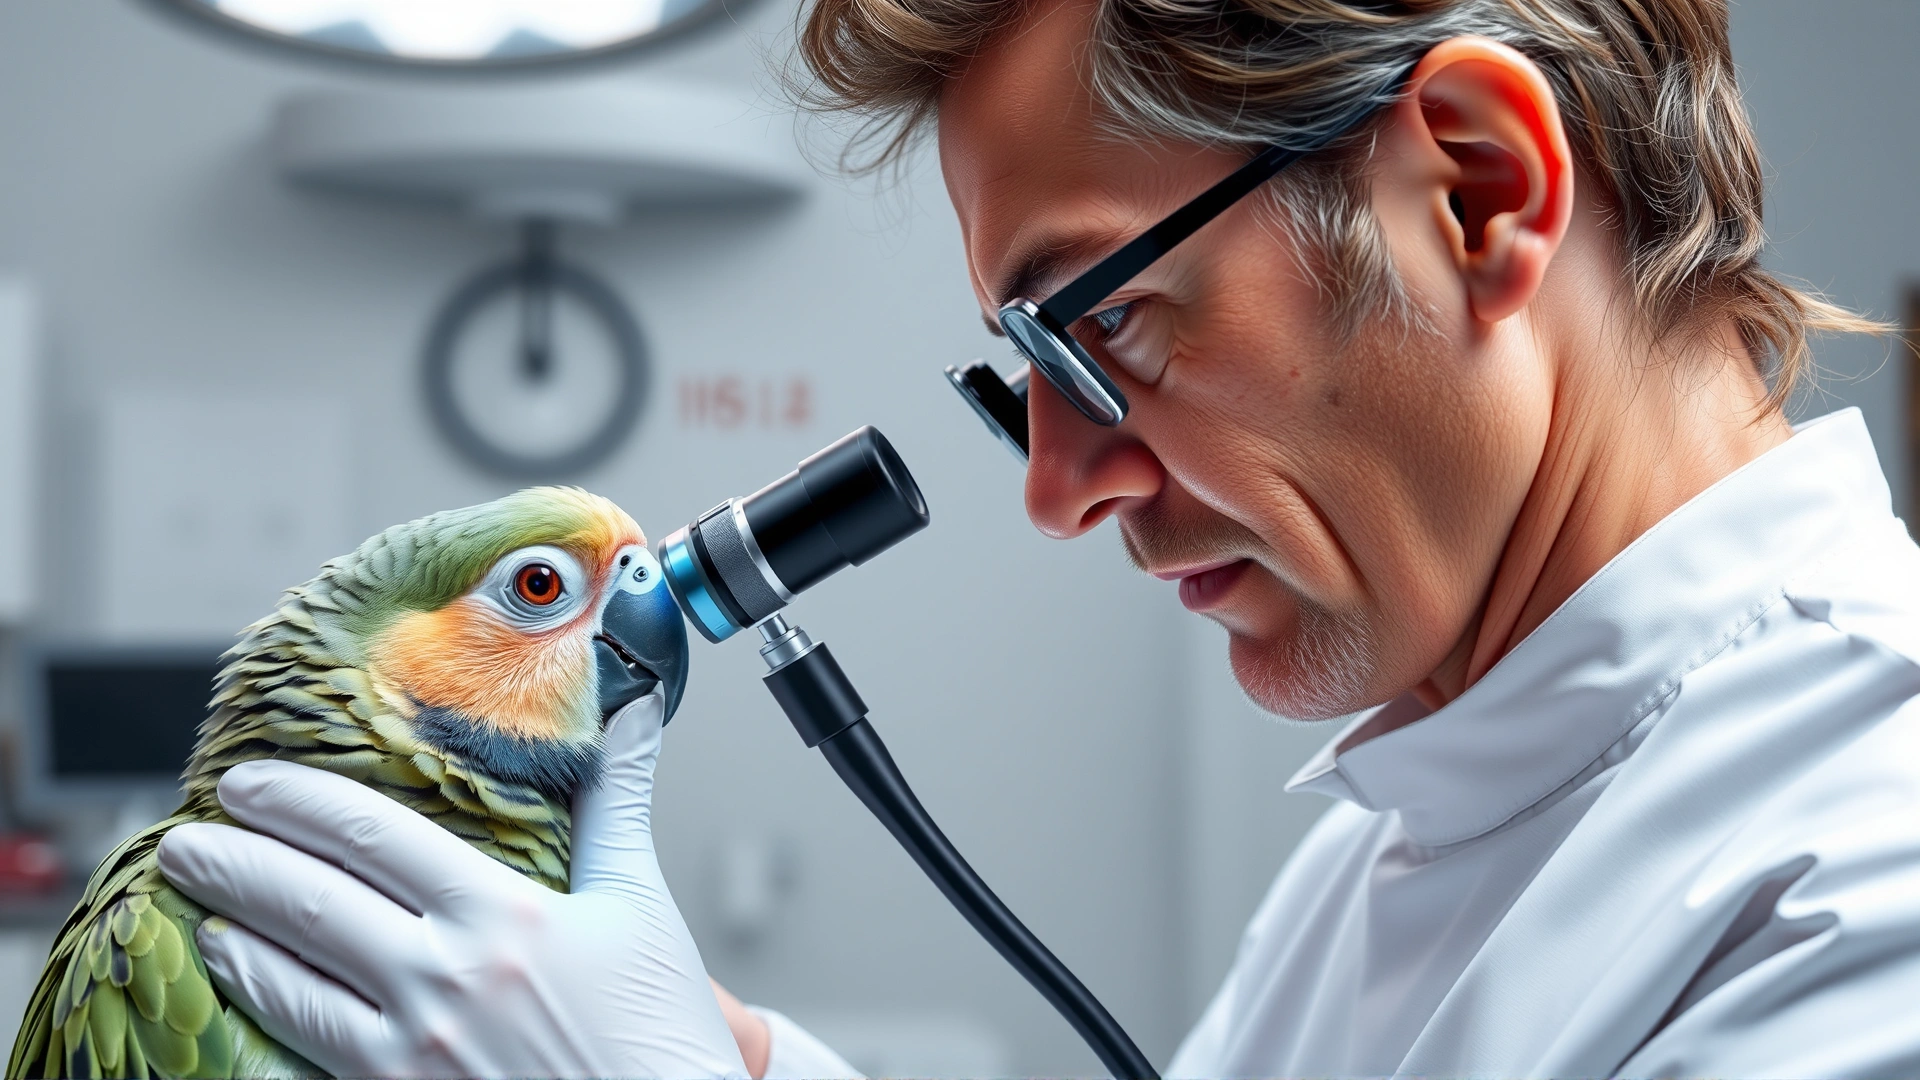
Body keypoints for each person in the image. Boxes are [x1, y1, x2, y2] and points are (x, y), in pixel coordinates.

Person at [155, 0, 1920, 1075]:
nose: (1058, 489)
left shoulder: (1867, 884)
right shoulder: (1412, 821)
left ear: (1476, 189)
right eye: (1024, 377)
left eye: (1102, 325)